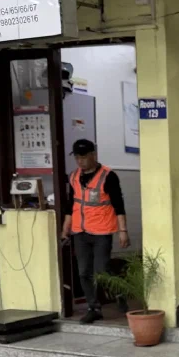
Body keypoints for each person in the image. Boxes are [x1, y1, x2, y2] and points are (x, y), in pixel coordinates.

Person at [61, 138, 130, 323]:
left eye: (83, 157)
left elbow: (118, 205)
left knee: (102, 270)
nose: (80, 161)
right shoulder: (74, 176)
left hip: (101, 231)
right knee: (84, 272)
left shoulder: (108, 176)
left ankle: (119, 292)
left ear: (93, 155)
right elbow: (71, 204)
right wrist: (65, 227)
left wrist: (123, 230)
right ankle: (94, 307)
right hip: (80, 231)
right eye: (77, 157)